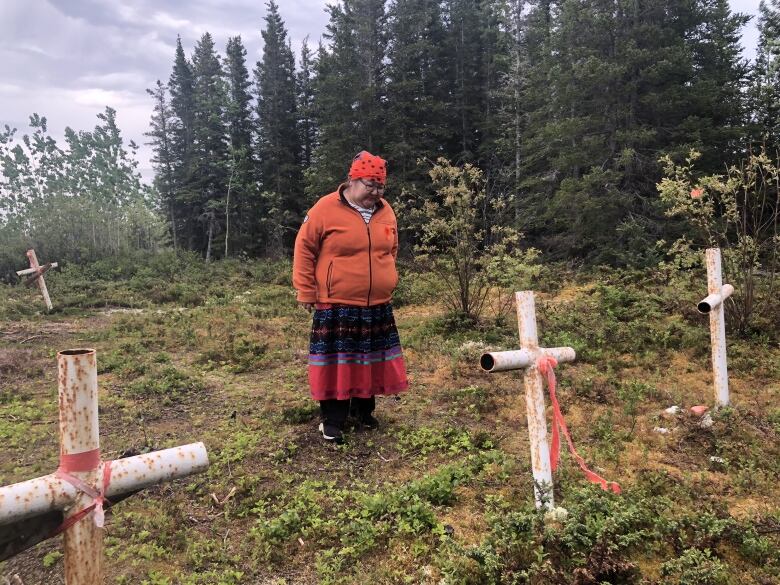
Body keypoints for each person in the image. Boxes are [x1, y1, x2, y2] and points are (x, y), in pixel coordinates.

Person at [293, 151, 409, 443]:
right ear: (352, 179)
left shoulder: (386, 211)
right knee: (338, 363)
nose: (375, 192)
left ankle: (363, 411)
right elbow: (304, 249)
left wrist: (387, 277)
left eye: (380, 186)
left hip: (376, 304)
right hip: (337, 304)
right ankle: (332, 421)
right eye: (370, 185)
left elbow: (391, 249)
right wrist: (306, 290)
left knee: (368, 359)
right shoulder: (325, 208)